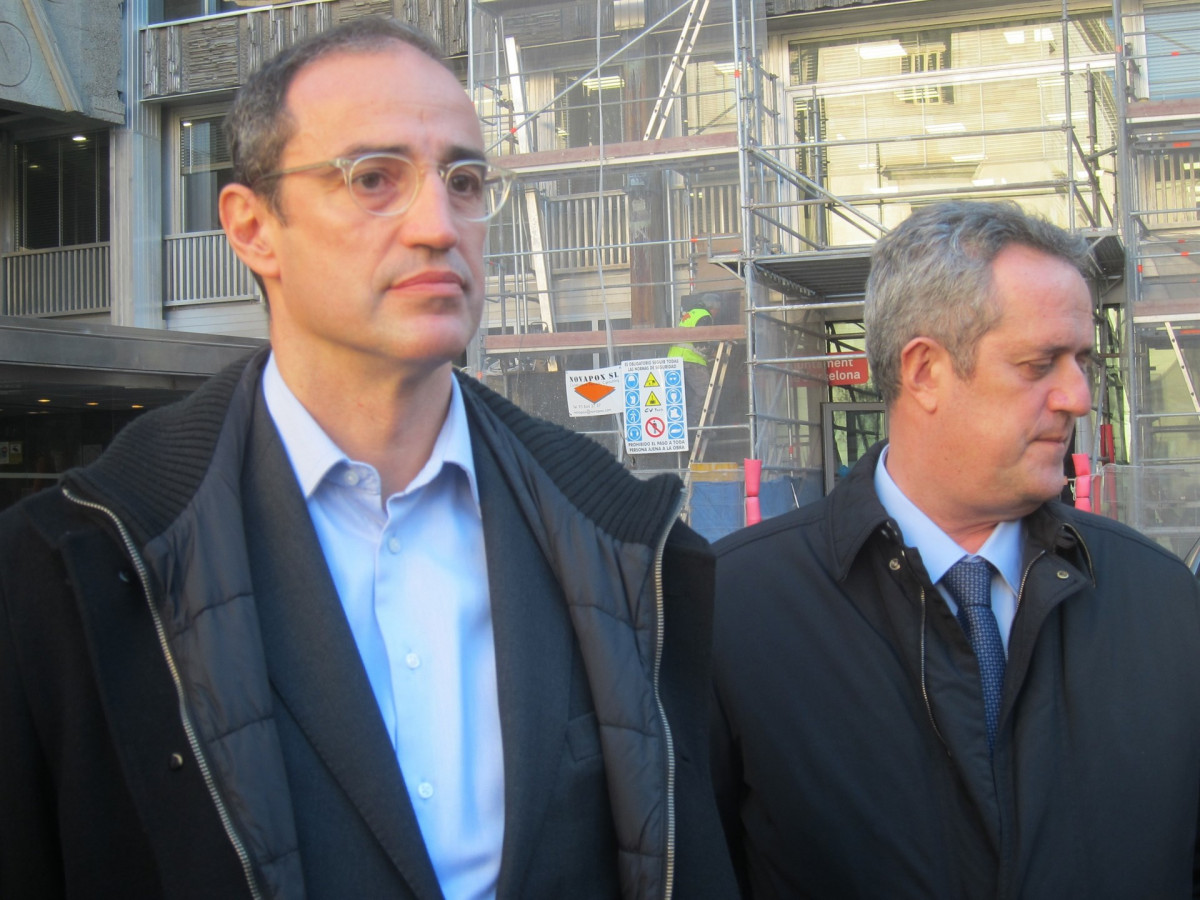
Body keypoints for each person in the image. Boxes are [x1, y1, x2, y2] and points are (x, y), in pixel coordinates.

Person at [0, 19, 736, 900]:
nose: (438, 225)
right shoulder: (71, 571)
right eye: (374, 178)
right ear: (252, 227)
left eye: (464, 181)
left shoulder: (633, 550)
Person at [710, 200, 1200, 897]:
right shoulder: (735, 612)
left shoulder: (1162, 601)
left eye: (1082, 361)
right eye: (1040, 364)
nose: (1079, 397)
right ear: (925, 371)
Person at [668, 303, 716, 428]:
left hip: (674, 360)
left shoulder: (691, 313)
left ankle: (681, 426)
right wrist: (712, 352)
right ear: (713, 308)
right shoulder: (705, 316)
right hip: (691, 360)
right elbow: (700, 342)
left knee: (682, 395)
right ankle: (693, 423)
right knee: (705, 392)